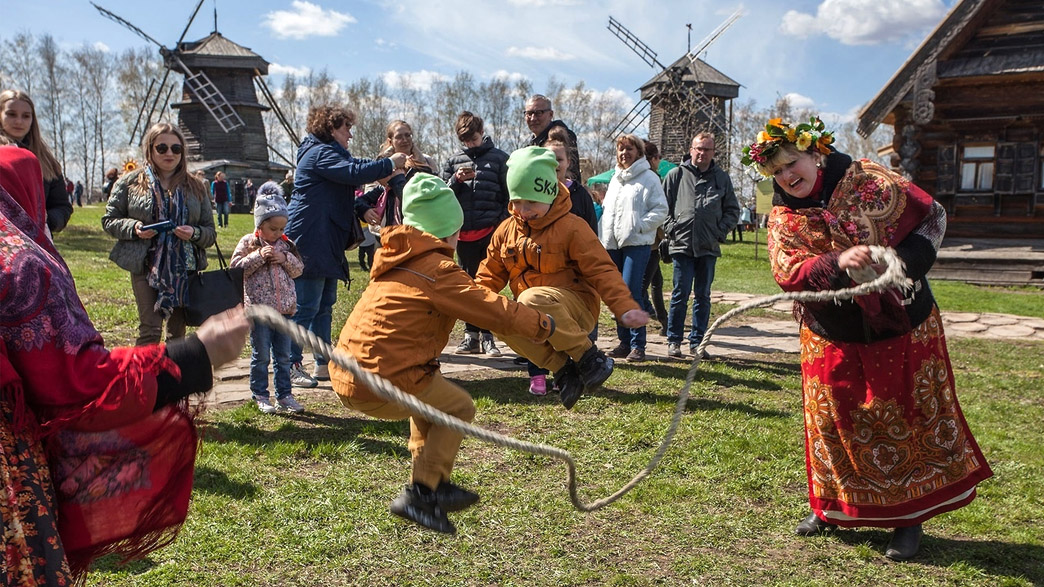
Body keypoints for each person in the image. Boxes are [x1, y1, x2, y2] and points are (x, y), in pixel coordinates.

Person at [744, 115, 993, 561]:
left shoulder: (867, 179)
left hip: (902, 327)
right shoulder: (780, 213)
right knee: (833, 426)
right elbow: (787, 271)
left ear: (814, 153)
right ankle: (831, 509)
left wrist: (898, 266)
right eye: (776, 171)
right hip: (831, 335)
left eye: (792, 162)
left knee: (903, 419)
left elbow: (931, 217)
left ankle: (907, 521)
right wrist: (839, 261)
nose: (786, 176)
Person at [0, 144, 249, 584]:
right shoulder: (20, 268)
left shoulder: (193, 187)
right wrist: (197, 354)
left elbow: (209, 229)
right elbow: (75, 380)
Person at [330, 173, 556, 534]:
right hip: (381, 381)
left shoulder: (396, 258)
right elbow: (495, 310)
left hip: (348, 374)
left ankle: (429, 485)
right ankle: (422, 492)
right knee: (458, 407)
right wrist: (545, 325)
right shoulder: (438, 271)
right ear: (450, 232)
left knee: (431, 396)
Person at [476, 146, 649, 409]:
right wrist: (469, 303)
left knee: (531, 297)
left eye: (531, 202)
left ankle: (589, 357)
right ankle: (563, 370)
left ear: (549, 192)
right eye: (517, 202)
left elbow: (602, 270)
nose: (524, 210)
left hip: (574, 311)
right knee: (494, 314)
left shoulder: (572, 227)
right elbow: (486, 276)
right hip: (534, 312)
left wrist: (624, 306)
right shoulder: (505, 231)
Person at [285, 104, 407, 388]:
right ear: (331, 129)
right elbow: (353, 172)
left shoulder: (328, 153)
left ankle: (322, 361)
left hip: (325, 239)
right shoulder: (319, 154)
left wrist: (360, 209)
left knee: (325, 305)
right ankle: (289, 364)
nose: (350, 134)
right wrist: (390, 164)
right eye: (346, 128)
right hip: (311, 238)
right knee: (306, 306)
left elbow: (339, 188)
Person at [102, 122, 217, 345]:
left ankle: (172, 378)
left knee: (177, 334)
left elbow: (210, 233)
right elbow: (109, 220)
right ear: (150, 149)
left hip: (185, 267)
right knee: (150, 329)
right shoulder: (130, 182)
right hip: (146, 265)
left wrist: (194, 232)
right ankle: (146, 378)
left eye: (176, 148)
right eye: (162, 148)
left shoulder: (196, 186)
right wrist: (134, 228)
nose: (169, 153)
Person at [521, 130, 600, 396]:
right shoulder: (530, 194)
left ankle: (579, 368)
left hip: (572, 276)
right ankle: (539, 373)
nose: (554, 165)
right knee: (533, 314)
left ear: (568, 162)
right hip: (537, 270)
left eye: (559, 159)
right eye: (548, 159)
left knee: (566, 324)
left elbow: (590, 235)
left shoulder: (580, 195)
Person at [662, 132, 740, 359]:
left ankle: (697, 342)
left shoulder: (721, 178)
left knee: (703, 295)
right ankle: (674, 340)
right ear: (690, 149)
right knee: (680, 294)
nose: (702, 153)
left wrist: (719, 231)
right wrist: (672, 228)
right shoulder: (676, 175)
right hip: (682, 245)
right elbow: (663, 206)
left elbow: (732, 210)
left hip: (707, 246)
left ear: (713, 152)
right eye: (698, 148)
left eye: (707, 149)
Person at [231, 182, 306, 414]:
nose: (278, 233)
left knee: (283, 356)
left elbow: (299, 270)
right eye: (273, 228)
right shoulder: (248, 243)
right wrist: (257, 257)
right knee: (261, 355)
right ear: (260, 225)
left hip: (284, 310)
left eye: (282, 228)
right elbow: (236, 269)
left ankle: (285, 395)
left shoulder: (286, 245)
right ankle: (261, 394)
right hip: (260, 311)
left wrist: (285, 259)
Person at [441, 111, 510, 357]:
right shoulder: (453, 161)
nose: (470, 143)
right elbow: (443, 196)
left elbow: (508, 196)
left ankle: (489, 337)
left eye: (473, 138)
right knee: (467, 285)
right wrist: (456, 181)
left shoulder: (500, 159)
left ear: (482, 132)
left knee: (488, 285)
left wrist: (500, 223)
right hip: (464, 234)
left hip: (491, 232)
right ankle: (471, 336)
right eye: (465, 140)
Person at [599, 134, 668, 363]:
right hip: (612, 243)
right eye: (620, 149)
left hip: (636, 243)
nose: (624, 153)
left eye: (629, 149)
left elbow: (660, 209)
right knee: (616, 293)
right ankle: (624, 342)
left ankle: (638, 345)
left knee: (631, 291)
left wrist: (640, 227)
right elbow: (608, 209)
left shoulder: (649, 178)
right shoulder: (615, 179)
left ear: (638, 152)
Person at [0, 89, 73, 234]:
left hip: (37, 243)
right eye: (11, 114)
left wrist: (45, 220)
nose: (19, 121)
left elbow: (62, 207)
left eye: (26, 116)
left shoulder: (46, 160)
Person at [639, 140, 669, 334]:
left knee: (656, 283)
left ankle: (665, 322)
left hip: (653, 242)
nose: (660, 160)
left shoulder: (651, 177)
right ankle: (648, 317)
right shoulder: (651, 178)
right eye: (657, 157)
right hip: (649, 241)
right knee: (644, 286)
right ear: (650, 159)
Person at [523, 94, 581, 182]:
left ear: (551, 114)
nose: (533, 118)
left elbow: (572, 175)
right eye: (529, 114)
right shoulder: (529, 147)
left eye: (538, 113)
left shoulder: (563, 137)